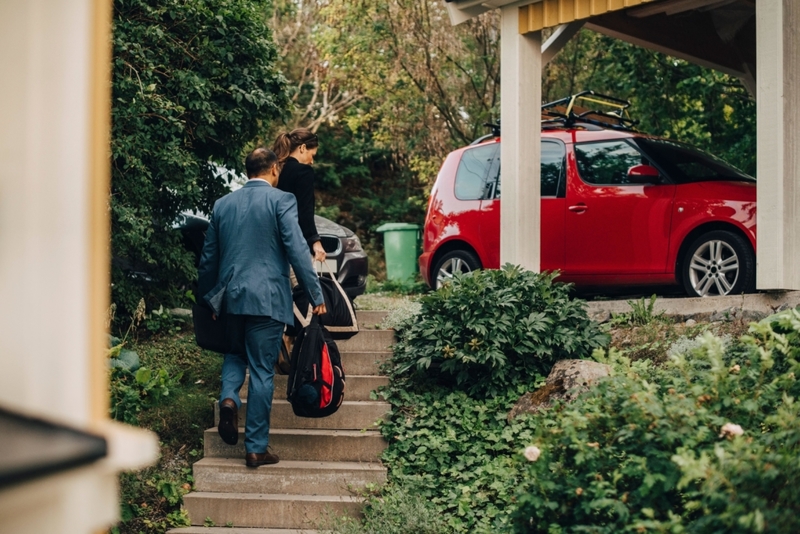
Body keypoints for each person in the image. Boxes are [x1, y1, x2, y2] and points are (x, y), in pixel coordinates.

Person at [197, 147, 326, 467]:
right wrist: (316, 295)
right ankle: (255, 448)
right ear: (273, 170)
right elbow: (298, 250)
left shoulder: (223, 205)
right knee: (261, 371)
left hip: (230, 298)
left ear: (247, 171)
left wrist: (209, 299)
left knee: (234, 352)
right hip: (267, 299)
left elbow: (208, 260)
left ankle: (228, 398)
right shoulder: (281, 201)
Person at [272, 128, 327, 264]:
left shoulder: (274, 169)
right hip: (292, 243)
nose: (312, 161)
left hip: (269, 242)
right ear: (302, 148)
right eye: (312, 155)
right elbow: (305, 210)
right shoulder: (303, 172)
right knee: (304, 284)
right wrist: (315, 241)